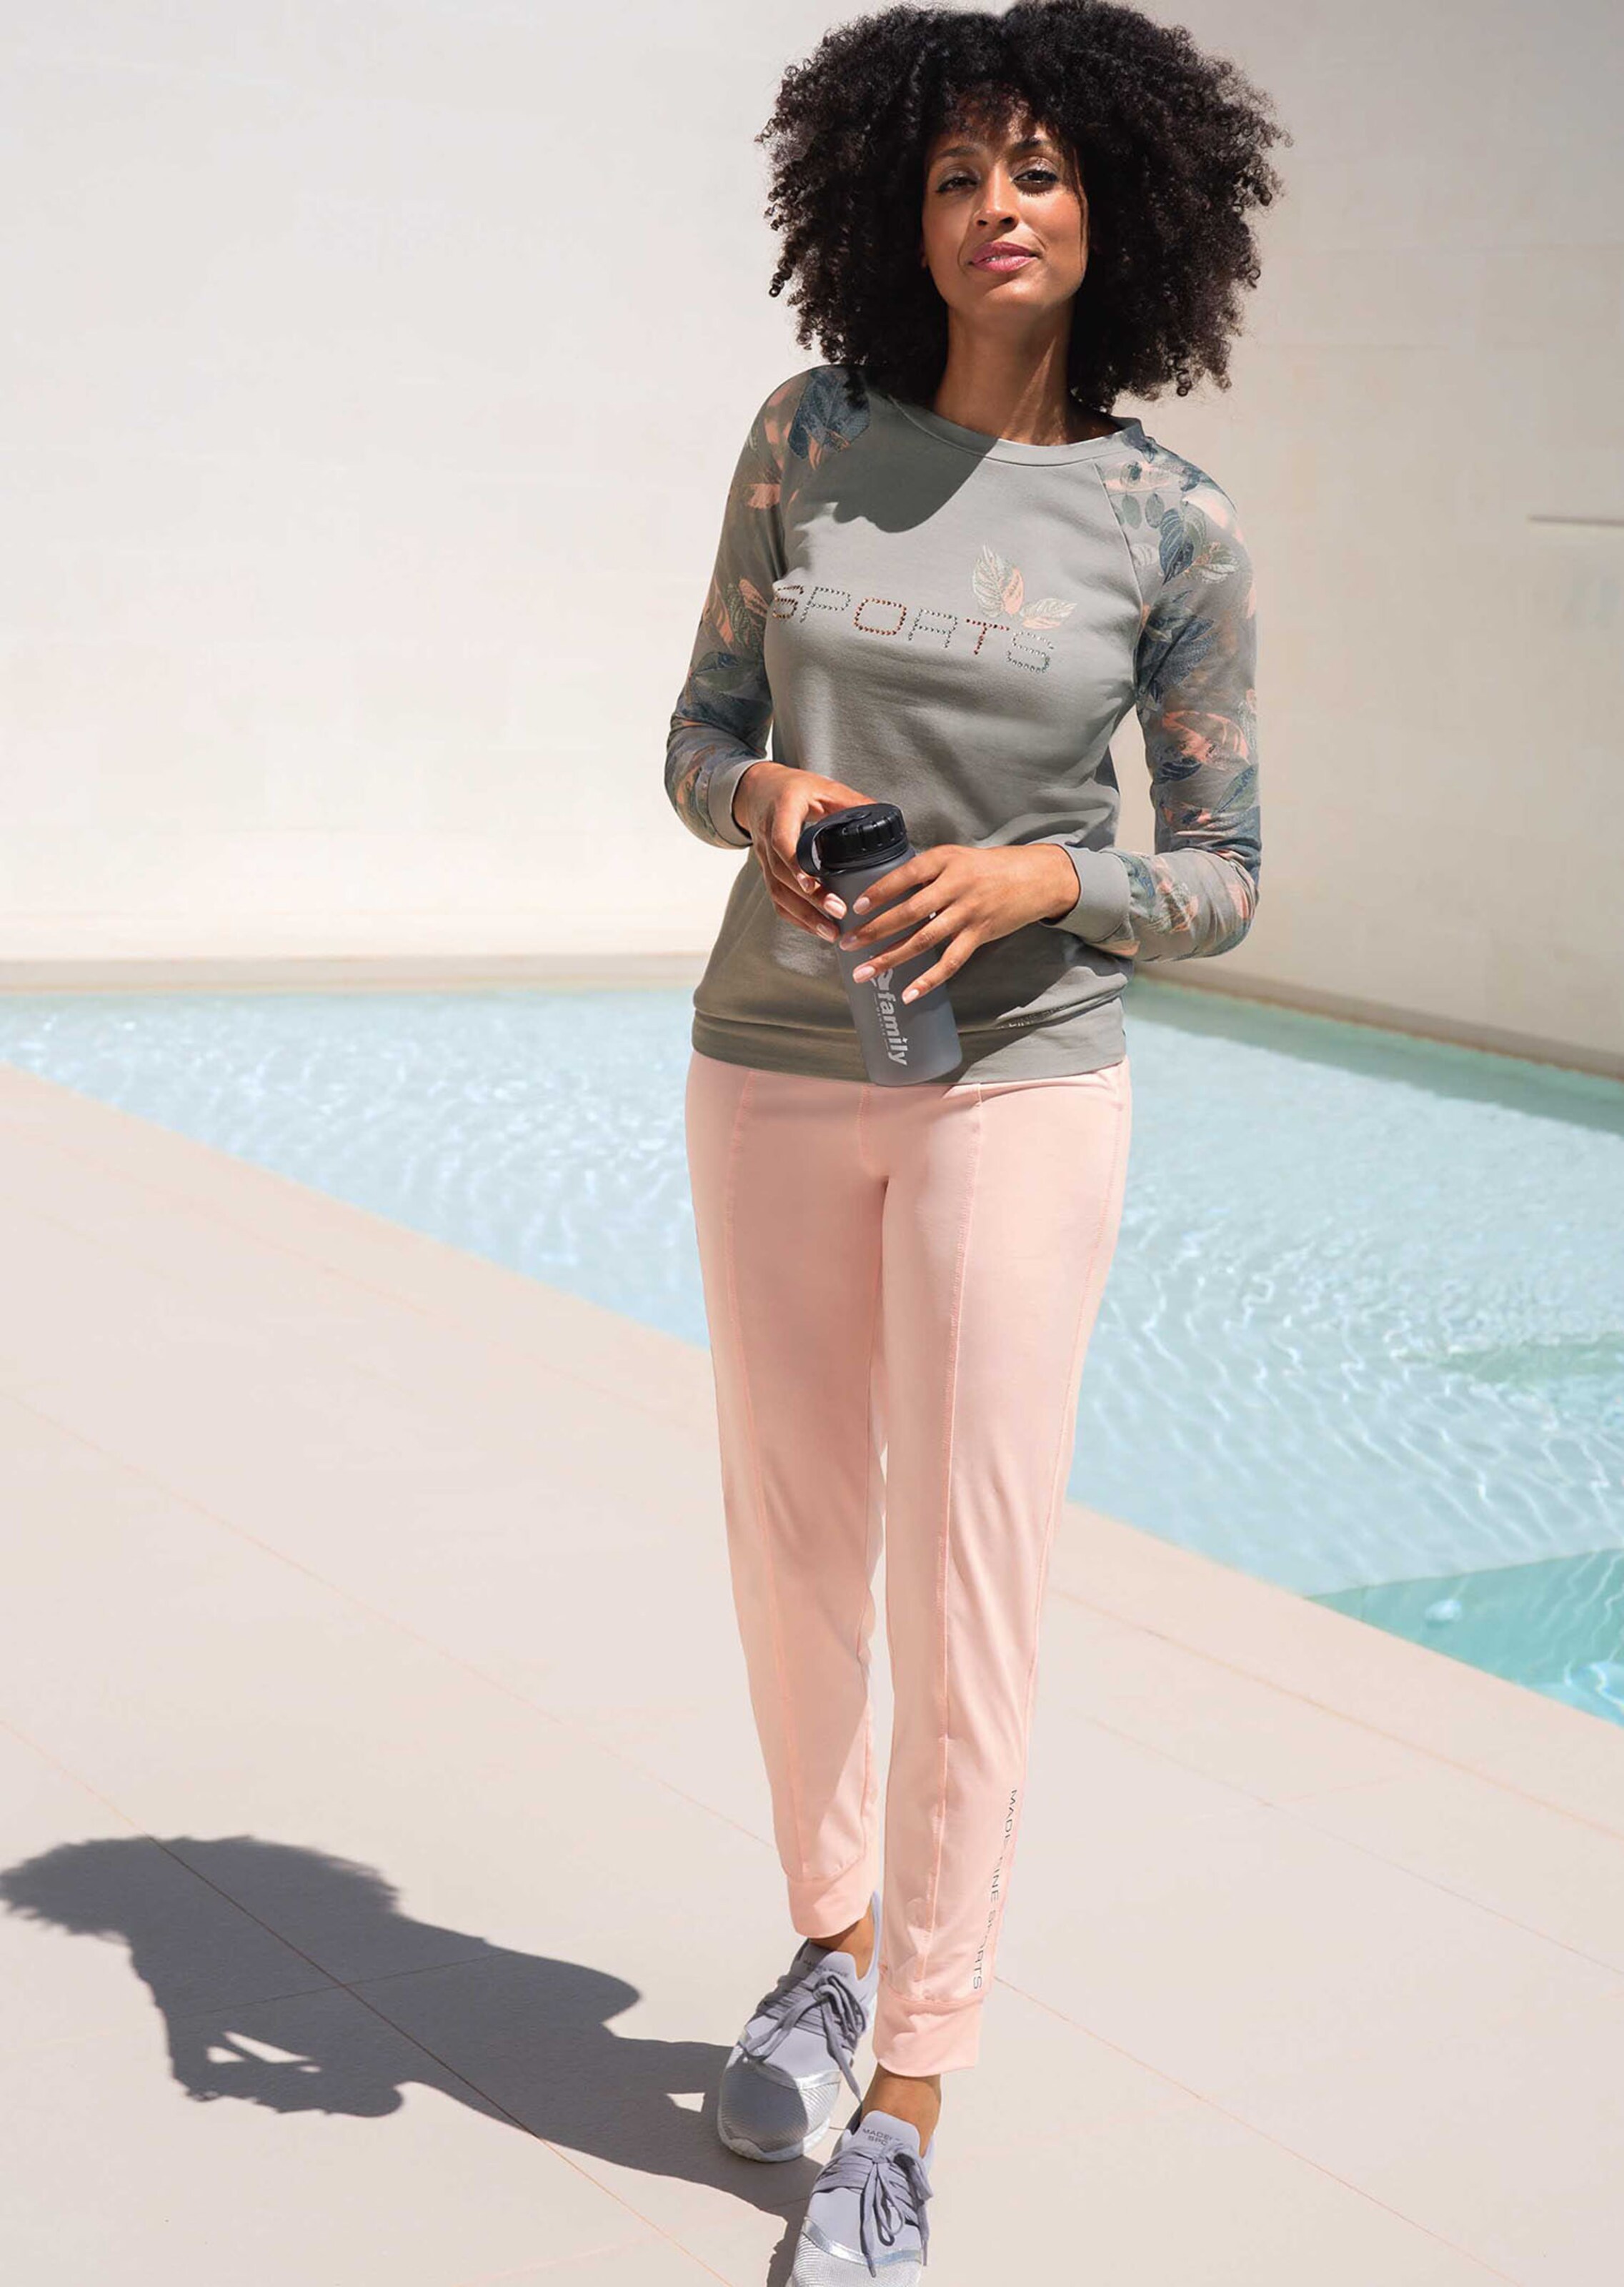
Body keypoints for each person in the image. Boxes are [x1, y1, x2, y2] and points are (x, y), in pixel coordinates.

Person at [666, 3, 1285, 2273]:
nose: (993, 206)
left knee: (966, 1577)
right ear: (890, 213)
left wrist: (1042, 877)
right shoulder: (804, 438)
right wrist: (765, 792)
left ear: (1116, 210)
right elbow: (694, 734)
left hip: (1016, 1081)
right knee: (791, 1542)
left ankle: (910, 2093)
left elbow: (1221, 873)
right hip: (772, 1048)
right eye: (951, 174)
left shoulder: (1168, 527)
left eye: (1035, 168)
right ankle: (828, 1950)